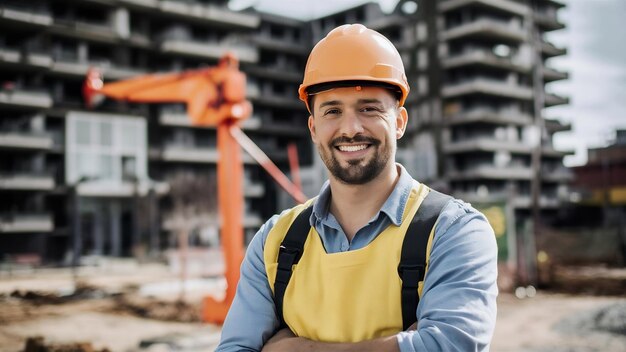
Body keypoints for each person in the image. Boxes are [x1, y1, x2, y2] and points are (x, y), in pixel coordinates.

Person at [216, 23, 498, 352]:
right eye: (333, 111)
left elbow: (451, 346)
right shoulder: (273, 243)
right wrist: (404, 344)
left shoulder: (454, 231)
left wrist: (296, 348)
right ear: (313, 127)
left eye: (369, 109)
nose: (350, 128)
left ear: (400, 122)